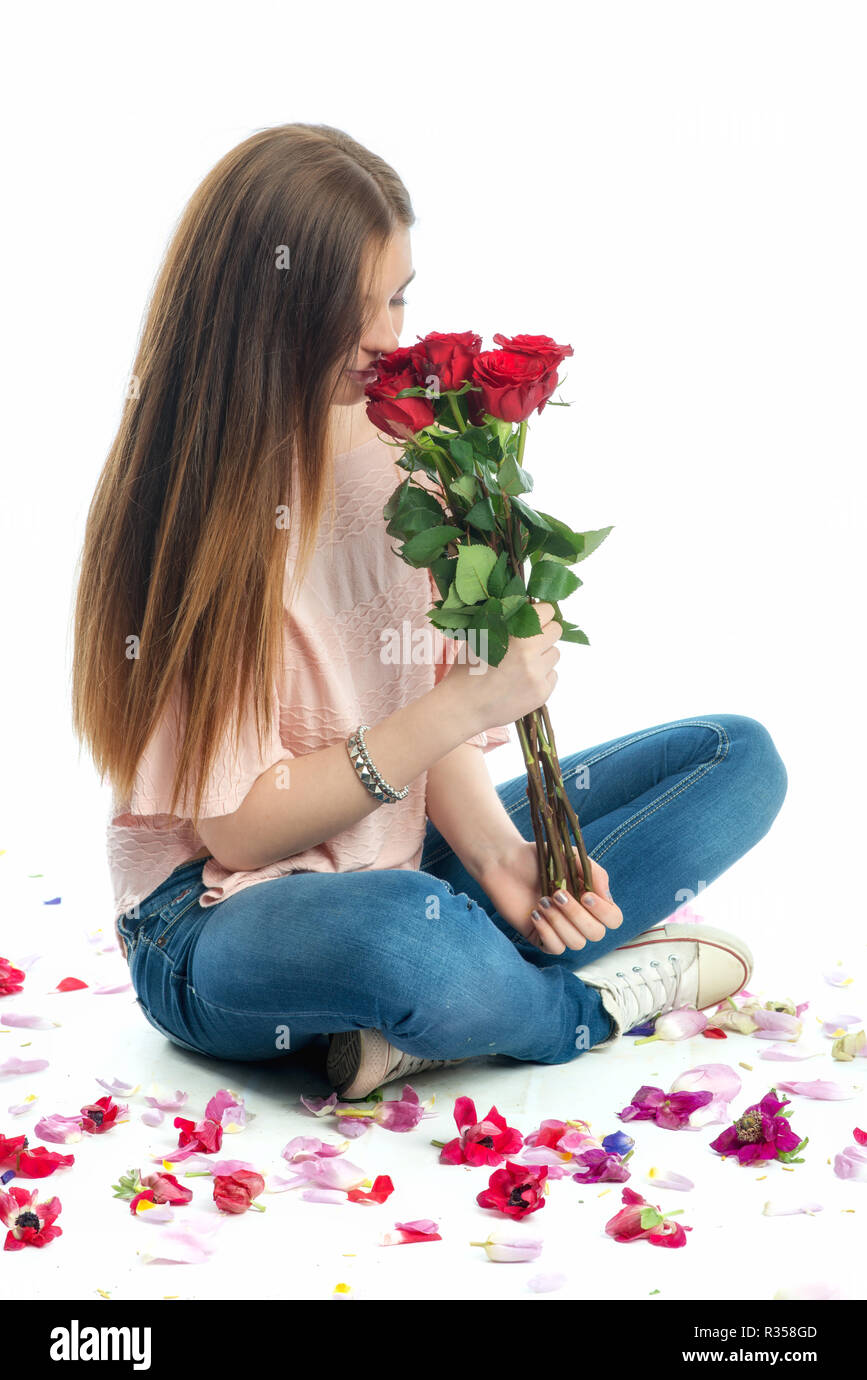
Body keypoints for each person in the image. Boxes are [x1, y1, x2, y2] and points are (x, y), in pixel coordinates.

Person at [71, 123, 788, 1101]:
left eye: (399, 295)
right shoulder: (188, 507)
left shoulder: (401, 446)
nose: (387, 336)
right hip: (215, 919)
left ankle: (430, 1014)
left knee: (733, 759)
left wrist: (497, 856)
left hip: (398, 847)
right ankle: (574, 1009)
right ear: (263, 304)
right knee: (403, 929)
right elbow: (237, 834)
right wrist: (461, 710)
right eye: (350, 305)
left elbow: (418, 689)